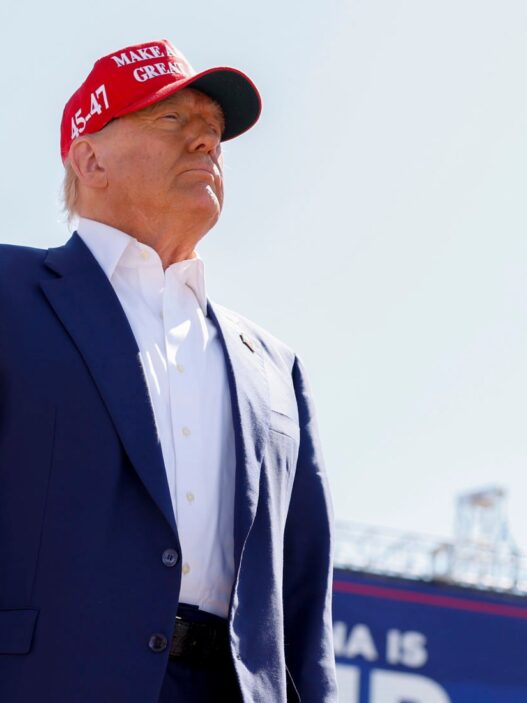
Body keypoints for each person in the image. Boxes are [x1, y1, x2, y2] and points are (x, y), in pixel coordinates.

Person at [0, 39, 337, 702]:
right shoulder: (8, 295)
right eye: (171, 121)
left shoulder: (273, 367)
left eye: (213, 132)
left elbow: (301, 601)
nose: (205, 143)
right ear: (89, 157)